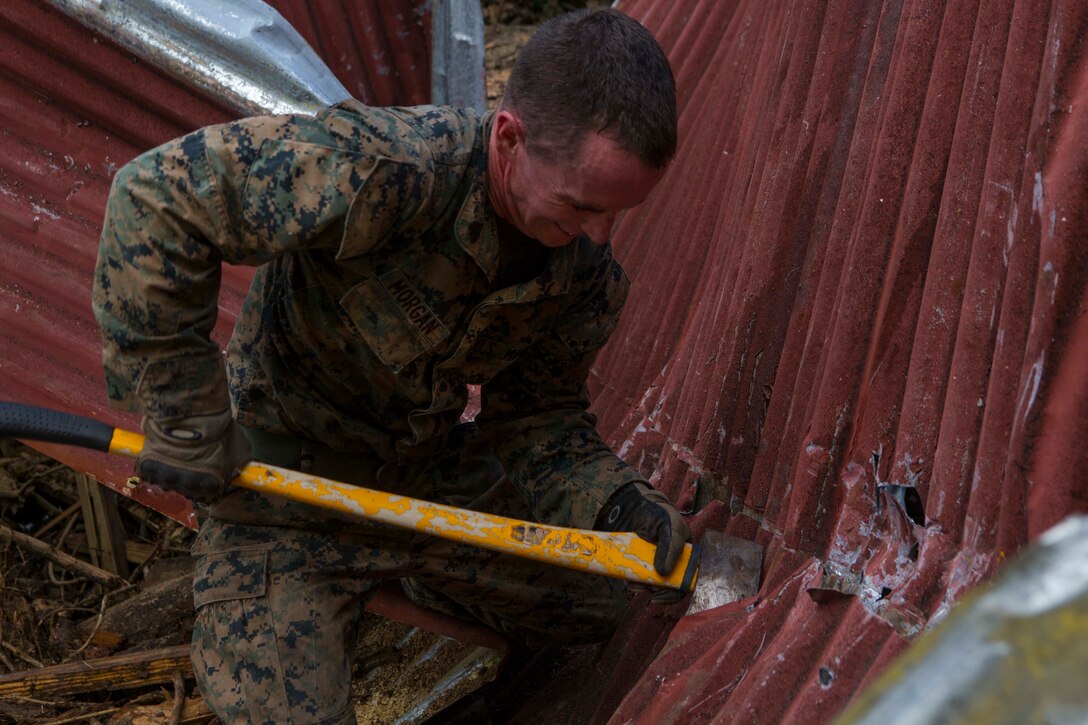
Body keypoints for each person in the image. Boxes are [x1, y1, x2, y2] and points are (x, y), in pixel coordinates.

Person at [93, 7, 690, 723]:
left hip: (426, 486)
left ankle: (419, 587)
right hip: (286, 497)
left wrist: (615, 504)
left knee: (608, 599)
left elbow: (538, 418)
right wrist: (184, 411)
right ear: (508, 137)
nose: (599, 235)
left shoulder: (583, 274)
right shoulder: (388, 167)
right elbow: (157, 197)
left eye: (619, 214)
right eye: (582, 206)